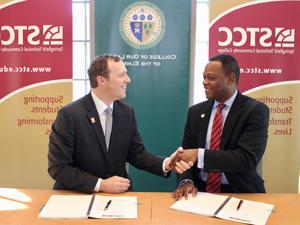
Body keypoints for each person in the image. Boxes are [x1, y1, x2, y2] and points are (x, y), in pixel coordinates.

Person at [48, 54, 189, 194]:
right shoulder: (69, 115)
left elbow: (137, 154)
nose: (128, 80)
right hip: (78, 195)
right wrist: (101, 184)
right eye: (122, 75)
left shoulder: (126, 112)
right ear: (101, 80)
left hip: (118, 196)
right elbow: (59, 168)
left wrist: (166, 163)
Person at [172, 54, 270, 200]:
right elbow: (185, 156)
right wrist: (186, 181)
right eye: (204, 77)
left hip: (242, 192)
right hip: (199, 192)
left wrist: (199, 155)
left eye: (210, 78)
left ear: (230, 79)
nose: (204, 82)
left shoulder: (255, 110)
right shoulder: (195, 112)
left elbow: (246, 158)